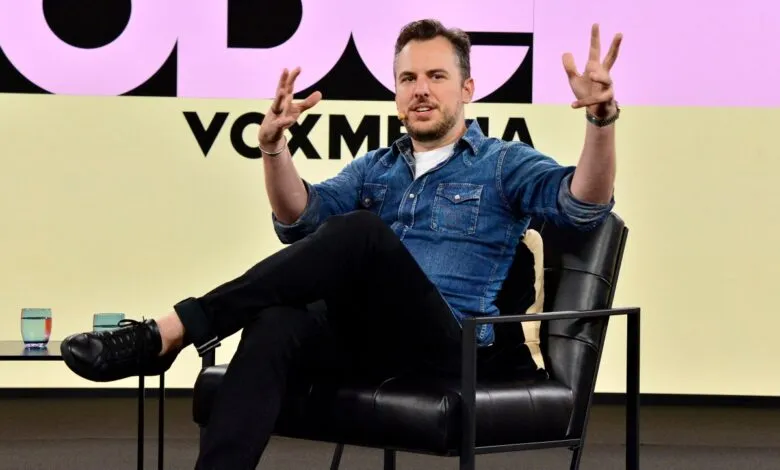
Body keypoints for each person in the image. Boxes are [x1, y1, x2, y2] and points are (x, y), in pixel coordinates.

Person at [60, 18, 622, 469]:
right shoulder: (376, 168)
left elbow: (584, 204)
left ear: (467, 88)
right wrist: (274, 147)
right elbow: (301, 220)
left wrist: (601, 118)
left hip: (450, 344)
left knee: (360, 233)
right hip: (370, 341)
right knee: (276, 320)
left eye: (436, 76)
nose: (420, 90)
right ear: (396, 91)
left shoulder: (503, 164)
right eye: (408, 79)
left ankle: (172, 329)